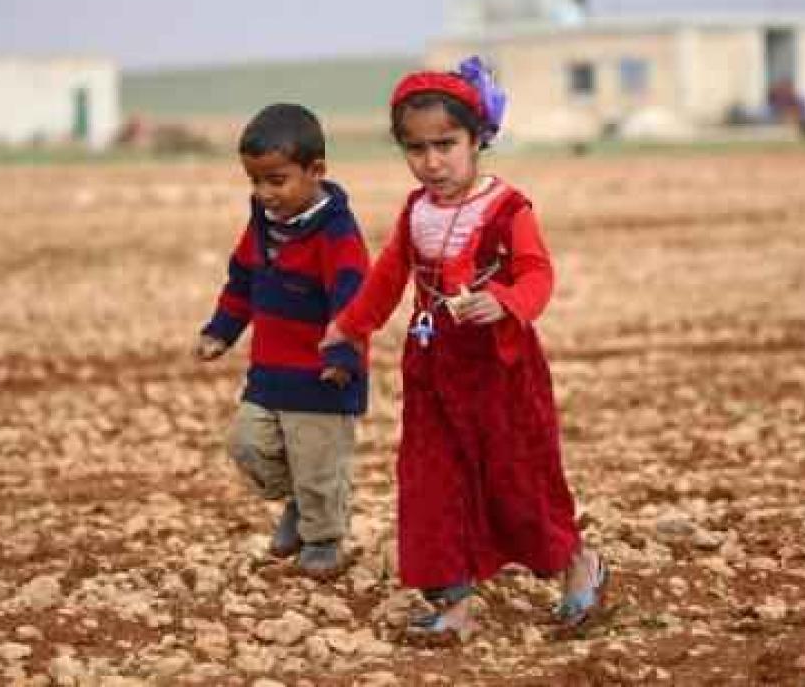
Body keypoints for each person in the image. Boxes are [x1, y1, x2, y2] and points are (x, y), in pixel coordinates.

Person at [321, 57, 606, 639]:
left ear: (479, 138)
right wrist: (349, 326)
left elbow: (537, 274)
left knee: (519, 479)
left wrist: (505, 301)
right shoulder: (415, 211)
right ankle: (452, 603)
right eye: (416, 148)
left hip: (501, 372)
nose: (432, 162)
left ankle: (578, 563)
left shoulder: (508, 208)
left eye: (446, 144)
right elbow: (388, 277)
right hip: (432, 370)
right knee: (432, 483)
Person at [195, 103, 369, 578]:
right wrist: (221, 331)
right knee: (247, 445)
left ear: (316, 172)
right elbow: (243, 279)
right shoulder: (264, 224)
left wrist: (341, 354)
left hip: (321, 377)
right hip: (269, 372)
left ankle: (324, 539)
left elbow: (354, 300)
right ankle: (299, 502)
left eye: (276, 181)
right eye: (254, 181)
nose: (263, 193)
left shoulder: (336, 233)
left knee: (318, 466)